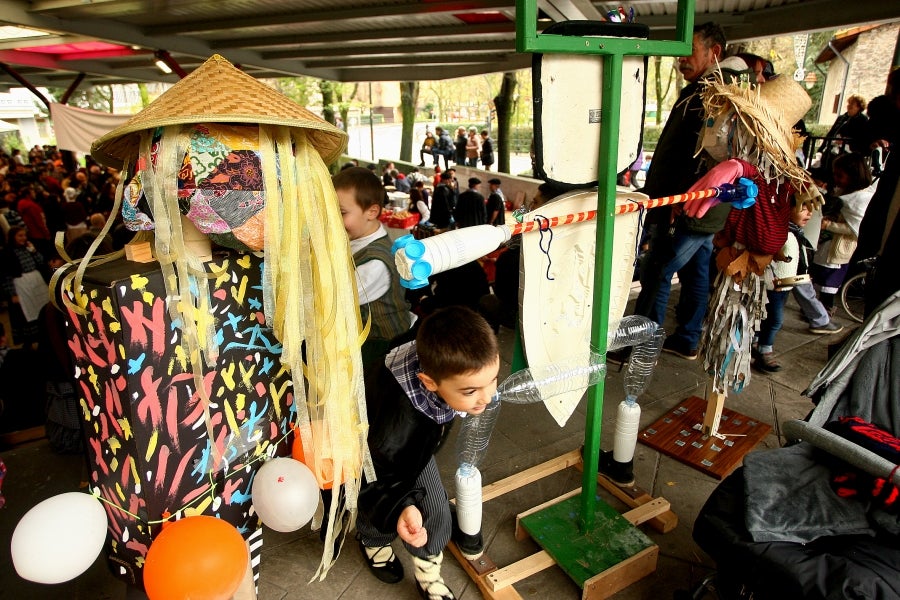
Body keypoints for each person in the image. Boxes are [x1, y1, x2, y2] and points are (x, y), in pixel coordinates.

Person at [356, 305, 499, 600]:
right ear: (429, 382)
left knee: (431, 515)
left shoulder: (433, 348)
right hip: (377, 461)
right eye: (471, 391)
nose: (487, 397)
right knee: (415, 512)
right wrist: (401, 505)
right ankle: (373, 540)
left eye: (492, 380)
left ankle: (427, 572)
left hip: (413, 448)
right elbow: (376, 480)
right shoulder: (397, 433)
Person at [633, 21, 740, 360]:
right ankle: (688, 338)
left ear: (714, 52)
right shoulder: (702, 90)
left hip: (692, 206)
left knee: (658, 268)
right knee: (696, 269)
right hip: (697, 206)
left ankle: (643, 344)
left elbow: (710, 155)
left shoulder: (716, 94)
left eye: (689, 50)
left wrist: (684, 198)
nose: (681, 58)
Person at [333, 167, 411, 366]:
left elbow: (333, 301)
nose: (332, 220)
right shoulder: (355, 238)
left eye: (341, 213)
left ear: (372, 211)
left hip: (377, 347)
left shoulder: (376, 263)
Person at [810, 152, 875, 315]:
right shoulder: (845, 193)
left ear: (854, 176)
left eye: (840, 175)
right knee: (822, 277)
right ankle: (819, 309)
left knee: (829, 281)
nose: (836, 179)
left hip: (838, 248)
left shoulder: (860, 199)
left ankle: (824, 311)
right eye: (835, 175)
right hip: (828, 245)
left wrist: (829, 225)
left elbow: (855, 228)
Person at [753, 197, 813, 372]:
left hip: (785, 285)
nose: (809, 213)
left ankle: (756, 343)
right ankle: (765, 349)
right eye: (804, 208)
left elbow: (799, 259)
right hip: (773, 285)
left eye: (810, 209)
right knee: (774, 319)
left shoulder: (796, 233)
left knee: (766, 317)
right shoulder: (779, 233)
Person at [1, 226, 48, 347]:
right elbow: (6, 276)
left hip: (36, 283)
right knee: (25, 315)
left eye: (24, 235)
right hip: (21, 285)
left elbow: (41, 261)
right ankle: (28, 342)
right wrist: (12, 294)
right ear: (13, 237)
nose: (23, 238)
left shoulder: (28, 248)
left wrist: (33, 251)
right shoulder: (7, 253)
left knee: (41, 310)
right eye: (20, 236)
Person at [815, 94, 869, 183]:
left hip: (848, 150)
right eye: (849, 103)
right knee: (825, 160)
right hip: (833, 147)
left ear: (859, 107)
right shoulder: (843, 117)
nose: (849, 106)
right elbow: (831, 132)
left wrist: (846, 141)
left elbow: (861, 137)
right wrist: (821, 148)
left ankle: (830, 183)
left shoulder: (862, 120)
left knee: (836, 163)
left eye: (852, 104)